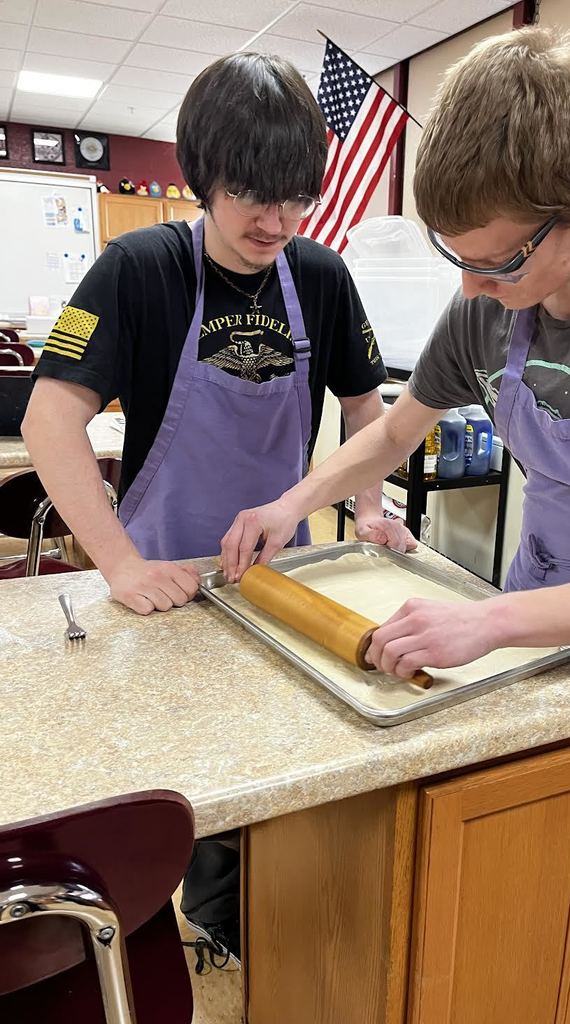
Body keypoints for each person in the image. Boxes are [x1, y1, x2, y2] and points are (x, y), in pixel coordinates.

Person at [216, 27, 570, 1021]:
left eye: (495, 263)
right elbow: (393, 435)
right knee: (518, 903)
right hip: (523, 631)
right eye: (455, 259)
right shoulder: (494, 301)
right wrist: (289, 503)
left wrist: (487, 621)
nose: (470, 290)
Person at [23, 53, 414, 964]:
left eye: (295, 199)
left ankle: (237, 925)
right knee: (169, 782)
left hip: (278, 578)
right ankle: (163, 925)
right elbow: (49, 421)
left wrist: (368, 509)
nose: (275, 222)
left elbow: (367, 410)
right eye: (250, 197)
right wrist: (120, 563)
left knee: (273, 765)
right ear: (202, 176)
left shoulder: (320, 275)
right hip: (160, 581)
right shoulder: (138, 268)